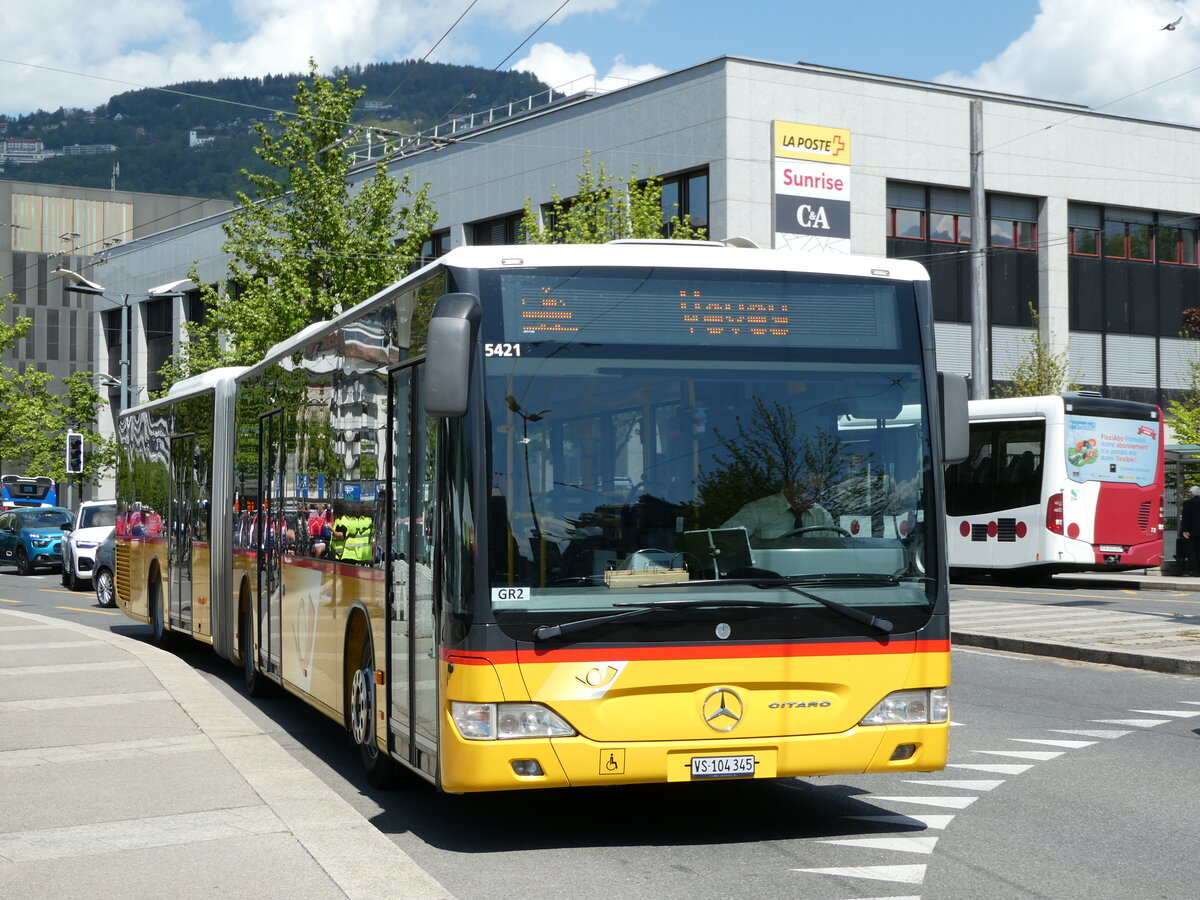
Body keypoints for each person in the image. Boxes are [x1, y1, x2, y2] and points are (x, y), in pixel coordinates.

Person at [721, 475, 839, 541]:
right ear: (789, 483)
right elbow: (722, 541)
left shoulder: (822, 516)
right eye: (805, 488)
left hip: (813, 581)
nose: (814, 497)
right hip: (767, 583)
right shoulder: (759, 510)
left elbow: (835, 556)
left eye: (817, 490)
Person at [1179, 485, 1200, 576]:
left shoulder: (1188, 503)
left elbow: (1186, 518)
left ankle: (1195, 571)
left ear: (1191, 493)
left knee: (1192, 551)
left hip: (1192, 531)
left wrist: (1184, 530)